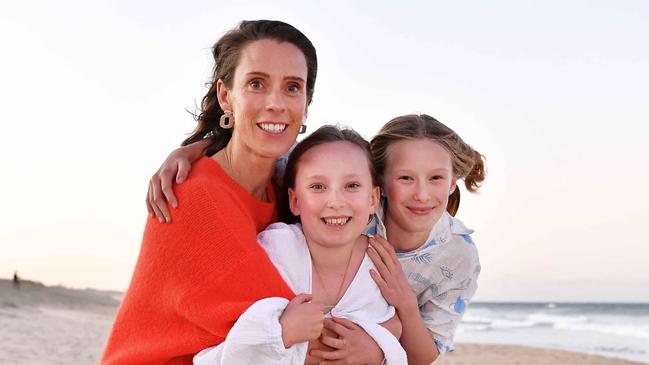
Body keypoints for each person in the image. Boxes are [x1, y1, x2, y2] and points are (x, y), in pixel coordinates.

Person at [150, 114, 486, 365]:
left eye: (436, 178)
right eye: (406, 178)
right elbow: (259, 150)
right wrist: (194, 151)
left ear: (453, 180)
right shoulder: (339, 188)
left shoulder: (458, 255)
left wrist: (401, 310)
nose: (422, 194)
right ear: (380, 183)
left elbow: (423, 353)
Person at [101, 20, 318, 365]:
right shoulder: (197, 196)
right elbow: (300, 334)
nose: (276, 103)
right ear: (225, 96)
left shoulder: (287, 187)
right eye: (257, 84)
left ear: (306, 103)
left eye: (292, 87)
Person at [193, 125, 406, 365]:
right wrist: (279, 333)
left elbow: (392, 326)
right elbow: (222, 346)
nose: (335, 201)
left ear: (372, 199)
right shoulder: (275, 250)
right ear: (294, 201)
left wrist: (377, 350)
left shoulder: (378, 261)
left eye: (352, 186)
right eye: (317, 187)